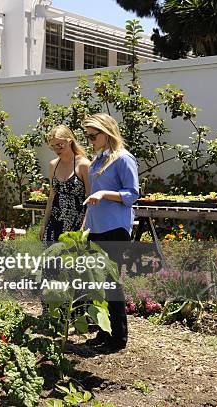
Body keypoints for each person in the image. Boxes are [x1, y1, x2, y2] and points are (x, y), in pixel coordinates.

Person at [82, 113, 140, 352]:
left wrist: (105, 194)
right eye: (87, 136)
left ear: (106, 133)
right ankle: (105, 332)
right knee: (99, 281)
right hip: (97, 227)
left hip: (115, 228)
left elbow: (132, 194)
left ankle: (118, 338)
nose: (90, 140)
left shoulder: (124, 159)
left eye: (93, 135)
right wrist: (86, 224)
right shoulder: (98, 159)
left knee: (111, 282)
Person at [39, 125, 91, 242]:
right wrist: (43, 225)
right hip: (54, 223)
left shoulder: (83, 164)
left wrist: (83, 228)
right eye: (53, 147)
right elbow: (52, 197)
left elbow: (90, 199)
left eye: (60, 145)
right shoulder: (53, 164)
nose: (57, 150)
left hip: (76, 224)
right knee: (51, 259)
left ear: (70, 141)